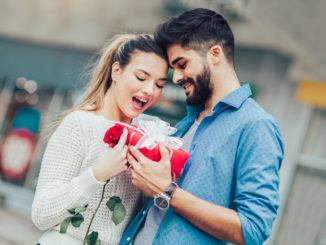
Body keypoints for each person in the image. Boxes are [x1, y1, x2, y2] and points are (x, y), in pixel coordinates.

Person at [119, 8, 284, 245]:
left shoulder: (256, 126)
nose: (176, 78)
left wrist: (167, 191)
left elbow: (253, 229)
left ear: (214, 54)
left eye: (182, 64)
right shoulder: (187, 123)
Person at [31, 34, 168, 245]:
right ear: (116, 71)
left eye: (159, 84)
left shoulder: (149, 138)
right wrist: (97, 174)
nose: (150, 91)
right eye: (141, 77)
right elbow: (41, 214)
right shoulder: (80, 124)